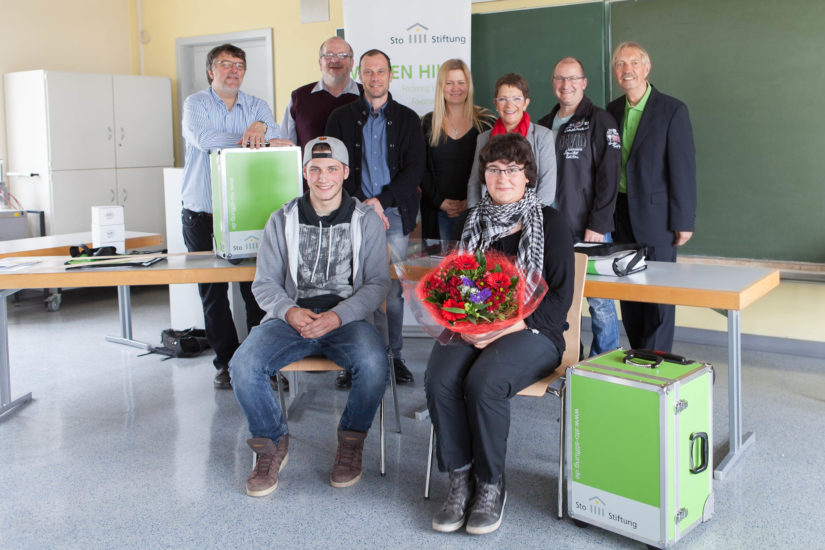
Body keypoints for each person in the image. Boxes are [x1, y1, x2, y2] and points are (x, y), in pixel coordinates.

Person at [426, 133, 574, 535]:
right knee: (439, 378)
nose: (503, 177)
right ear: (484, 175)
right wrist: (465, 321)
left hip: (534, 330)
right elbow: (460, 285)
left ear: (527, 175)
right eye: (494, 169)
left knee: (485, 382)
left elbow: (559, 297)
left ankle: (490, 484)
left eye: (512, 169)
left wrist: (510, 325)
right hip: (475, 327)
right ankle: (460, 478)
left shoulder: (550, 222)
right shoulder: (472, 222)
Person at [230, 136, 391, 496]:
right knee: (243, 365)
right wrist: (288, 311)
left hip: (347, 320)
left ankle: (350, 443)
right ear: (304, 173)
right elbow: (264, 284)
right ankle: (271, 446)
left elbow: (378, 284)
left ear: (345, 172)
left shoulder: (366, 221)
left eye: (332, 169)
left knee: (374, 363)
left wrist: (339, 316)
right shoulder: (281, 219)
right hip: (292, 319)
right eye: (315, 169)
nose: (323, 177)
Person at [181, 43, 293, 389]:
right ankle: (227, 364)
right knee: (212, 295)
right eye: (226, 64)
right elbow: (205, 139)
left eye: (239, 65)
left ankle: (262, 362)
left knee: (257, 291)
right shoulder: (195, 104)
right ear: (211, 70)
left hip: (249, 213)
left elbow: (279, 136)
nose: (233, 70)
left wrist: (262, 129)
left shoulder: (257, 106)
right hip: (202, 214)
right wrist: (253, 137)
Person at [326, 49, 426, 388]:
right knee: (352, 288)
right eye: (368, 72)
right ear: (360, 75)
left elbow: (415, 169)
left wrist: (381, 202)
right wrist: (363, 204)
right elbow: (333, 167)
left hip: (394, 215)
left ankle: (393, 357)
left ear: (390, 75)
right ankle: (353, 359)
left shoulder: (408, 119)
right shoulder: (340, 118)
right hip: (352, 214)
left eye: (380, 71)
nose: (375, 78)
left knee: (392, 291)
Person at [606, 42, 696, 352]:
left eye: (634, 62)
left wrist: (684, 221)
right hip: (620, 215)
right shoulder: (611, 111)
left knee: (658, 294)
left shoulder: (672, 110)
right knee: (629, 291)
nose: (626, 69)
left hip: (658, 218)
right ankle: (638, 353)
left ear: (647, 68)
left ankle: (657, 359)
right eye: (620, 64)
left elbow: (683, 169)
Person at [537, 57, 622, 357]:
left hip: (587, 228)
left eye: (573, 78)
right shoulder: (543, 124)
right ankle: (566, 355)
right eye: (560, 78)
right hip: (550, 229)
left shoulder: (601, 121)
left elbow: (610, 177)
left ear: (584, 83)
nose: (566, 85)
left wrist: (598, 223)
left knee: (600, 301)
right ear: (553, 83)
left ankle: (604, 359)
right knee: (556, 298)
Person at [420, 59, 495, 241]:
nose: (456, 88)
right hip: (437, 212)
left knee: (474, 260)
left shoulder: (486, 122)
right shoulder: (427, 123)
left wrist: (470, 200)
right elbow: (420, 168)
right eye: (449, 83)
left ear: (469, 86)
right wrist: (439, 202)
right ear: (441, 86)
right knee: (440, 259)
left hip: (476, 211)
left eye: (461, 82)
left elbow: (494, 167)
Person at [466, 73, 556, 209]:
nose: (509, 105)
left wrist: (526, 217)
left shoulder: (543, 137)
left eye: (516, 99)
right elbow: (474, 184)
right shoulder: (483, 139)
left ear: (526, 103)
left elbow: (547, 187)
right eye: (503, 99)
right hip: (489, 216)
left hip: (530, 216)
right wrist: (476, 215)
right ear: (495, 103)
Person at [280, 36, 362, 154]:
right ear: (320, 62)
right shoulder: (299, 98)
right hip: (310, 167)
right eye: (329, 55)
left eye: (342, 55)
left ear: (351, 63)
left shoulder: (367, 96)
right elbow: (286, 147)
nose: (335, 60)